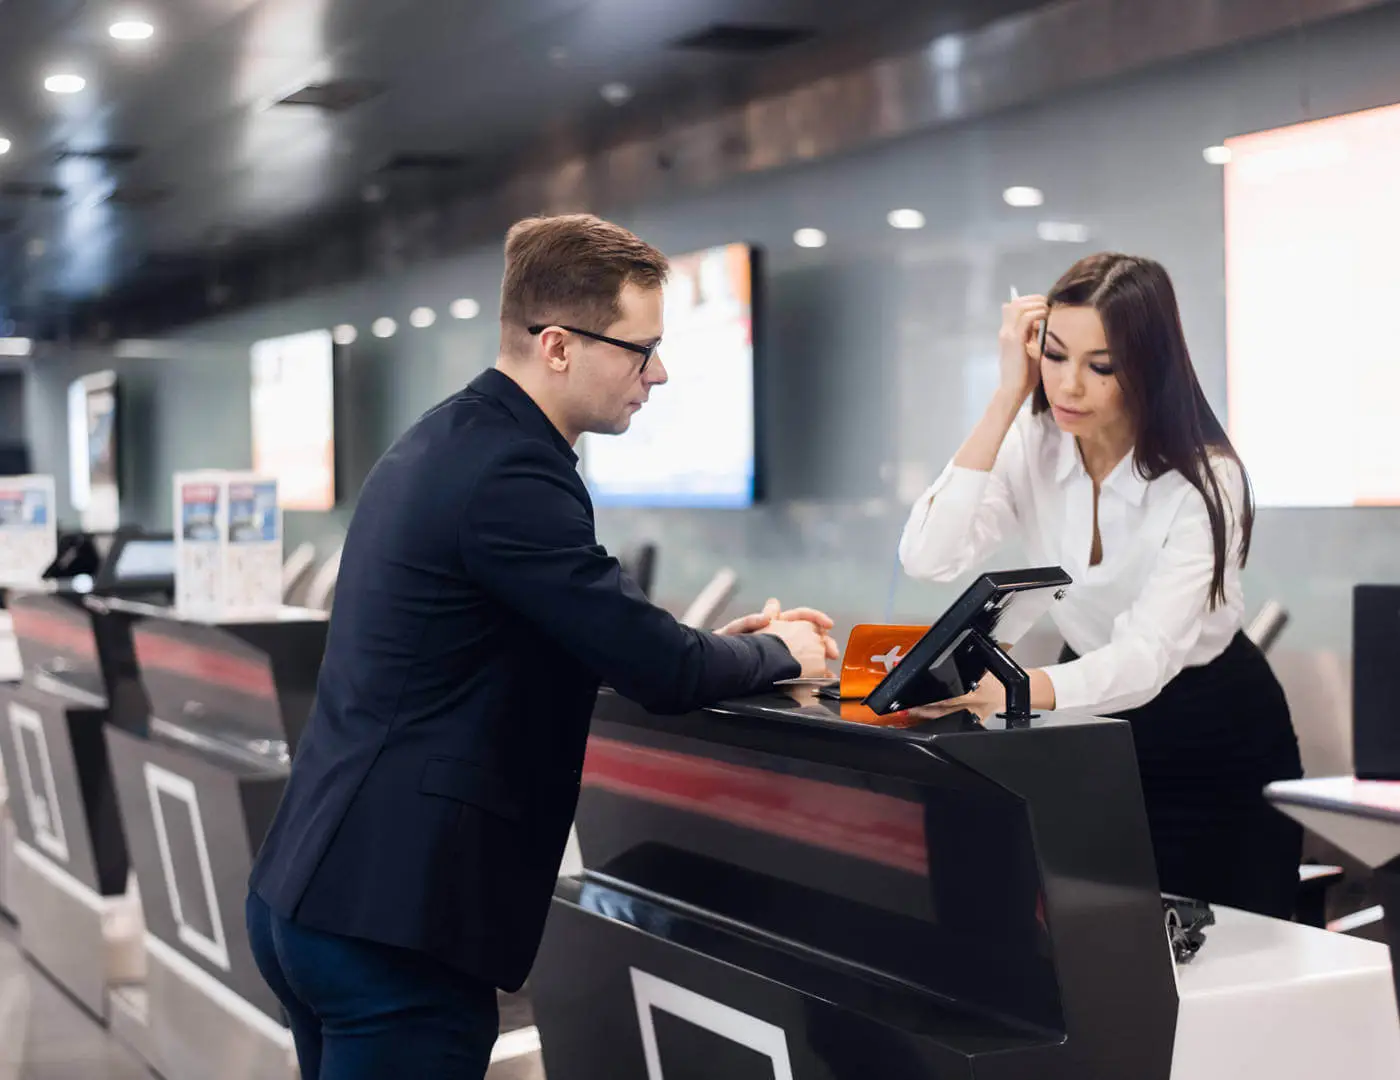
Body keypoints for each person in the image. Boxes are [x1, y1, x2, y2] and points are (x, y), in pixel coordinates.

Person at [245, 214, 839, 1079]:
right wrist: (786, 652)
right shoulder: (512, 474)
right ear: (557, 346)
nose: (659, 373)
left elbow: (568, 632)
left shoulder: (454, 437)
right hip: (392, 925)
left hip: (323, 893)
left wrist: (719, 644)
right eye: (641, 350)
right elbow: (660, 669)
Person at [898, 253, 1302, 919]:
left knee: (1232, 961)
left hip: (1211, 730)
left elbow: (1147, 658)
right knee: (1098, 951)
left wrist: (1024, 691)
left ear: (1147, 364)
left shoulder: (1207, 479)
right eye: (1054, 356)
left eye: (1101, 365)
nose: (1069, 386)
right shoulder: (1035, 438)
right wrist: (1005, 397)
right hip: (1086, 712)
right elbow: (927, 555)